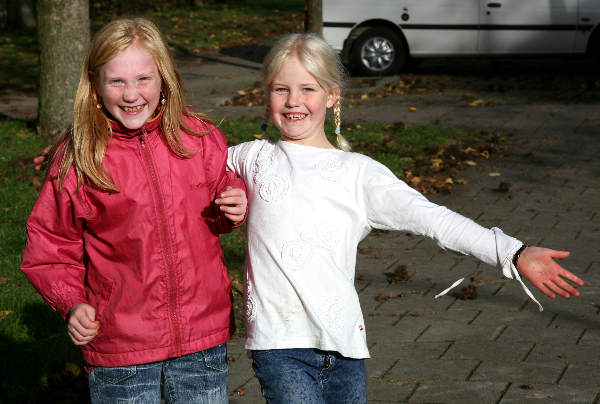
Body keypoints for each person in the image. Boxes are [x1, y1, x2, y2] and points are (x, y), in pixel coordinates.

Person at [225, 33, 584, 404]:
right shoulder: (251, 158)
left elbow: (433, 219)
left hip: (345, 346)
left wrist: (514, 252)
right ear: (265, 95)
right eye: (281, 89)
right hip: (279, 345)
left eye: (308, 89)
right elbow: (191, 166)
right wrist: (229, 187)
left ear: (333, 96)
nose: (294, 101)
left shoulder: (359, 173)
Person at [21, 18, 247, 404]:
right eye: (117, 82)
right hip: (120, 347)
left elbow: (218, 197)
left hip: (200, 337)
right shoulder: (80, 157)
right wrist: (71, 301)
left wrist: (233, 203)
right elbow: (50, 245)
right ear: (94, 84)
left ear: (164, 80)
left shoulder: (198, 138)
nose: (131, 94)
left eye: (143, 79)